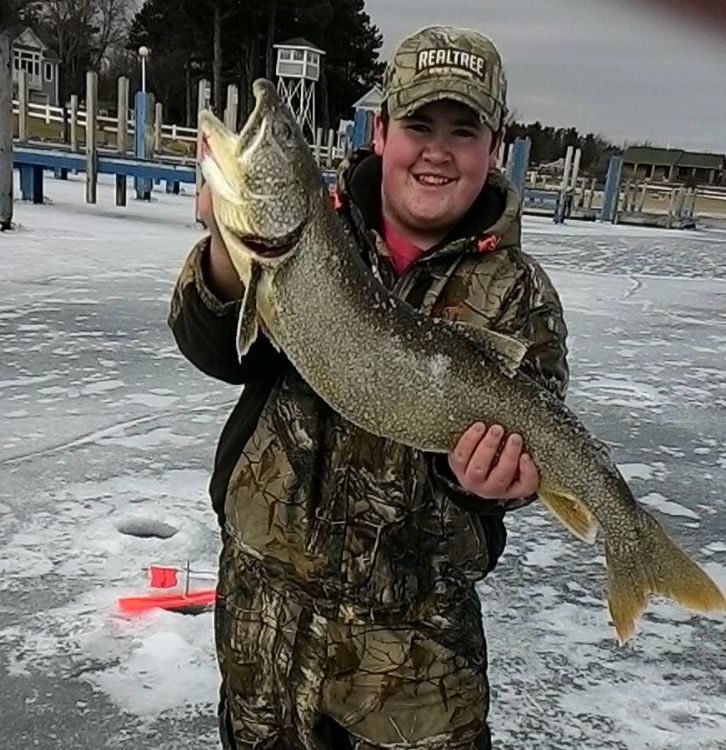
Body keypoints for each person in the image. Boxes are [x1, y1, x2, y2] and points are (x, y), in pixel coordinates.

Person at [169, 24, 569, 750]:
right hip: (269, 628)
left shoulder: (521, 293)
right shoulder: (319, 234)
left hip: (415, 666)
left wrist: (492, 482)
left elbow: (525, 446)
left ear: (497, 146)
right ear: (380, 133)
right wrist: (229, 260)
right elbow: (217, 351)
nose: (438, 150)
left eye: (464, 130)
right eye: (418, 124)